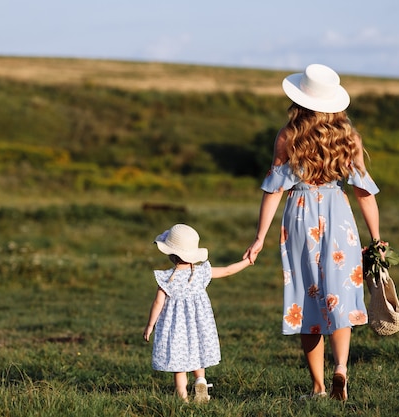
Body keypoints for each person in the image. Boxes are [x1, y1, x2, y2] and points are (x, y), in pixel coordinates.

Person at [243, 64, 381, 401]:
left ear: (299, 99)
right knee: (339, 296)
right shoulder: (349, 137)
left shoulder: (288, 136)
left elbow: (274, 190)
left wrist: (260, 237)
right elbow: (365, 193)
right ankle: (342, 368)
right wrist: (376, 239)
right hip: (339, 216)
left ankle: (319, 387)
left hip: (301, 217)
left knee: (308, 301)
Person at [143, 223, 252, 403]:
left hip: (175, 329)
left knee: (179, 365)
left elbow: (157, 303)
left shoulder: (166, 278)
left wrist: (150, 325)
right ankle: (201, 381)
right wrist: (247, 261)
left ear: (171, 254)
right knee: (197, 355)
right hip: (198, 326)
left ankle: (183, 398)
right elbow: (228, 270)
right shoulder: (201, 273)